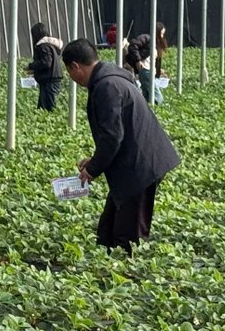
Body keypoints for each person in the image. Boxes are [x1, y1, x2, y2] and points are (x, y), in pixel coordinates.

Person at [62, 38, 180, 254]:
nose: (71, 77)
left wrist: (92, 169)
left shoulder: (107, 86)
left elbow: (112, 136)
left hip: (139, 167)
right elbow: (115, 134)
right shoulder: (110, 79)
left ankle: (128, 277)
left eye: (69, 71)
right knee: (107, 231)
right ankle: (110, 268)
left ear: (75, 67)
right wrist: (95, 161)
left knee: (127, 237)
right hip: (133, 164)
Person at [24, 22, 64, 111]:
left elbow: (46, 62)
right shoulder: (50, 46)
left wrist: (31, 66)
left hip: (49, 80)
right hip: (51, 78)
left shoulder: (43, 46)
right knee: (44, 107)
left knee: (49, 107)